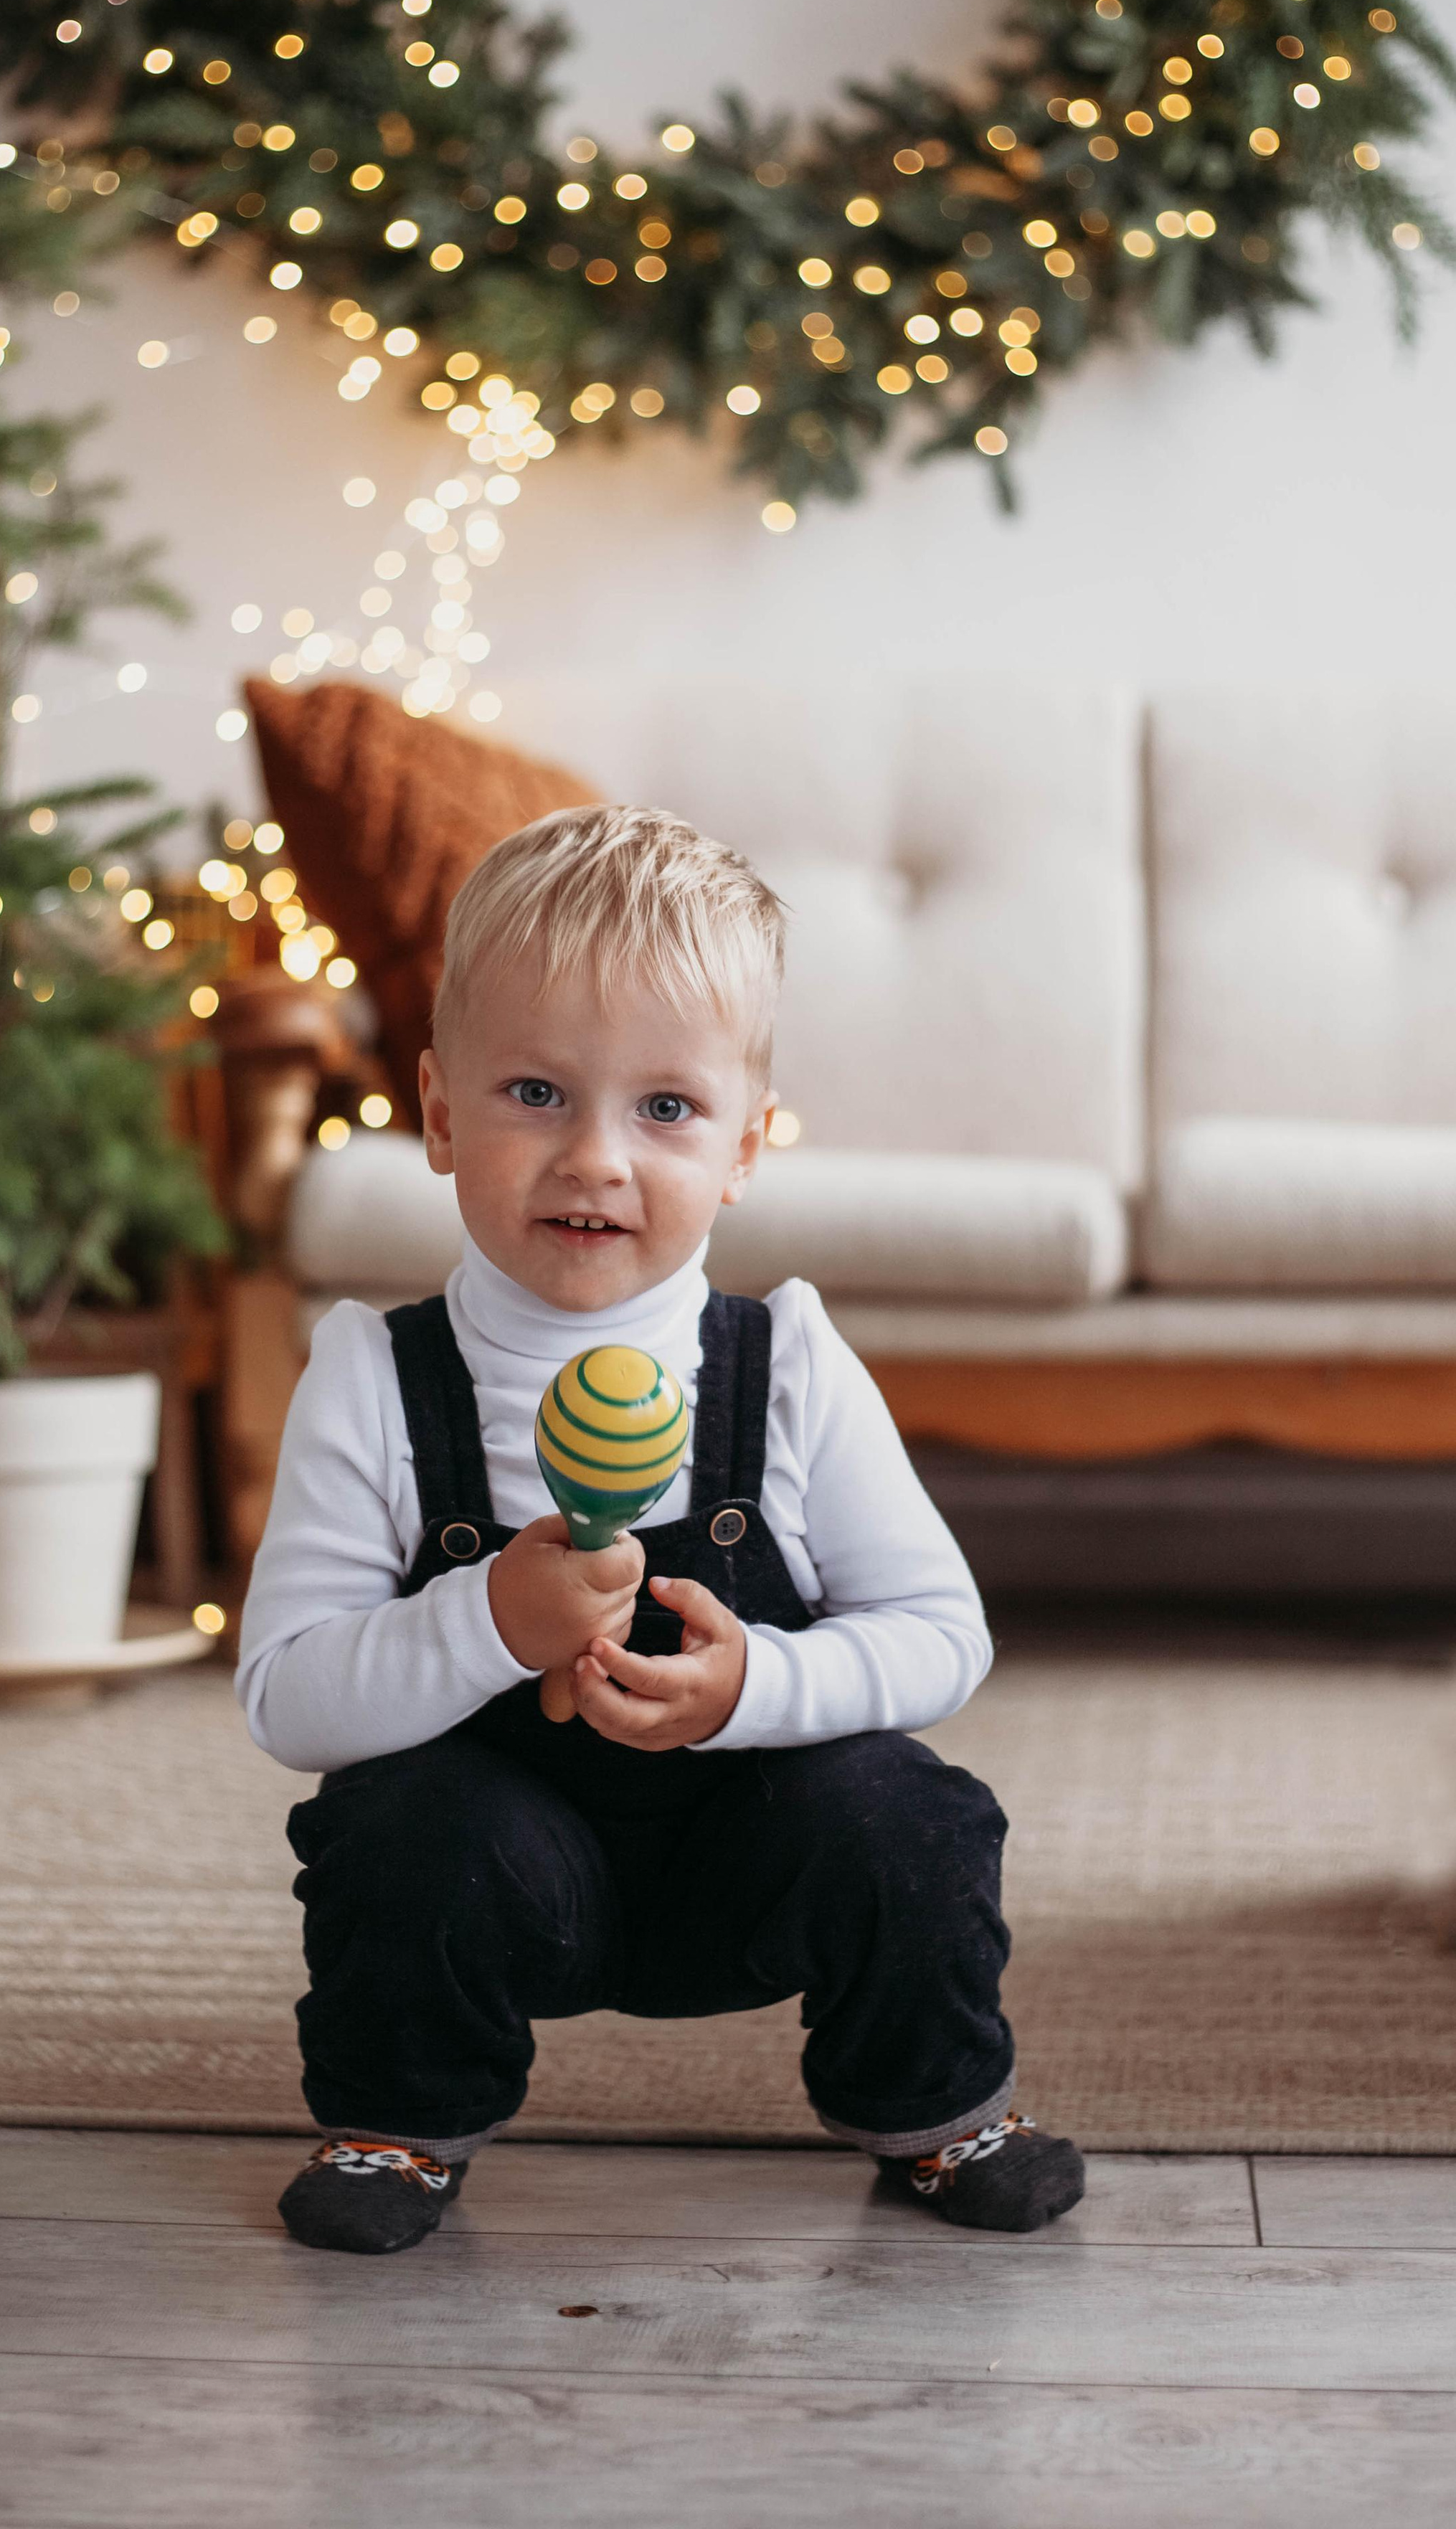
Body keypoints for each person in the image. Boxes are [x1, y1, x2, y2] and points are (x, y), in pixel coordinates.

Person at [236, 804, 1084, 2256]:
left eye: (664, 1110)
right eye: (532, 1093)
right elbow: (286, 1694)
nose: (594, 1159)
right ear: (437, 1114)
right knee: (392, 1824)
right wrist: (486, 1624)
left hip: (743, 1863)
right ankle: (395, 2119)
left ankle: (934, 2105)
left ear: (747, 1145)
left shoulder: (791, 1366)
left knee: (905, 1812)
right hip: (506, 1875)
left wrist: (754, 1687)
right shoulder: (373, 1380)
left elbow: (943, 1638)